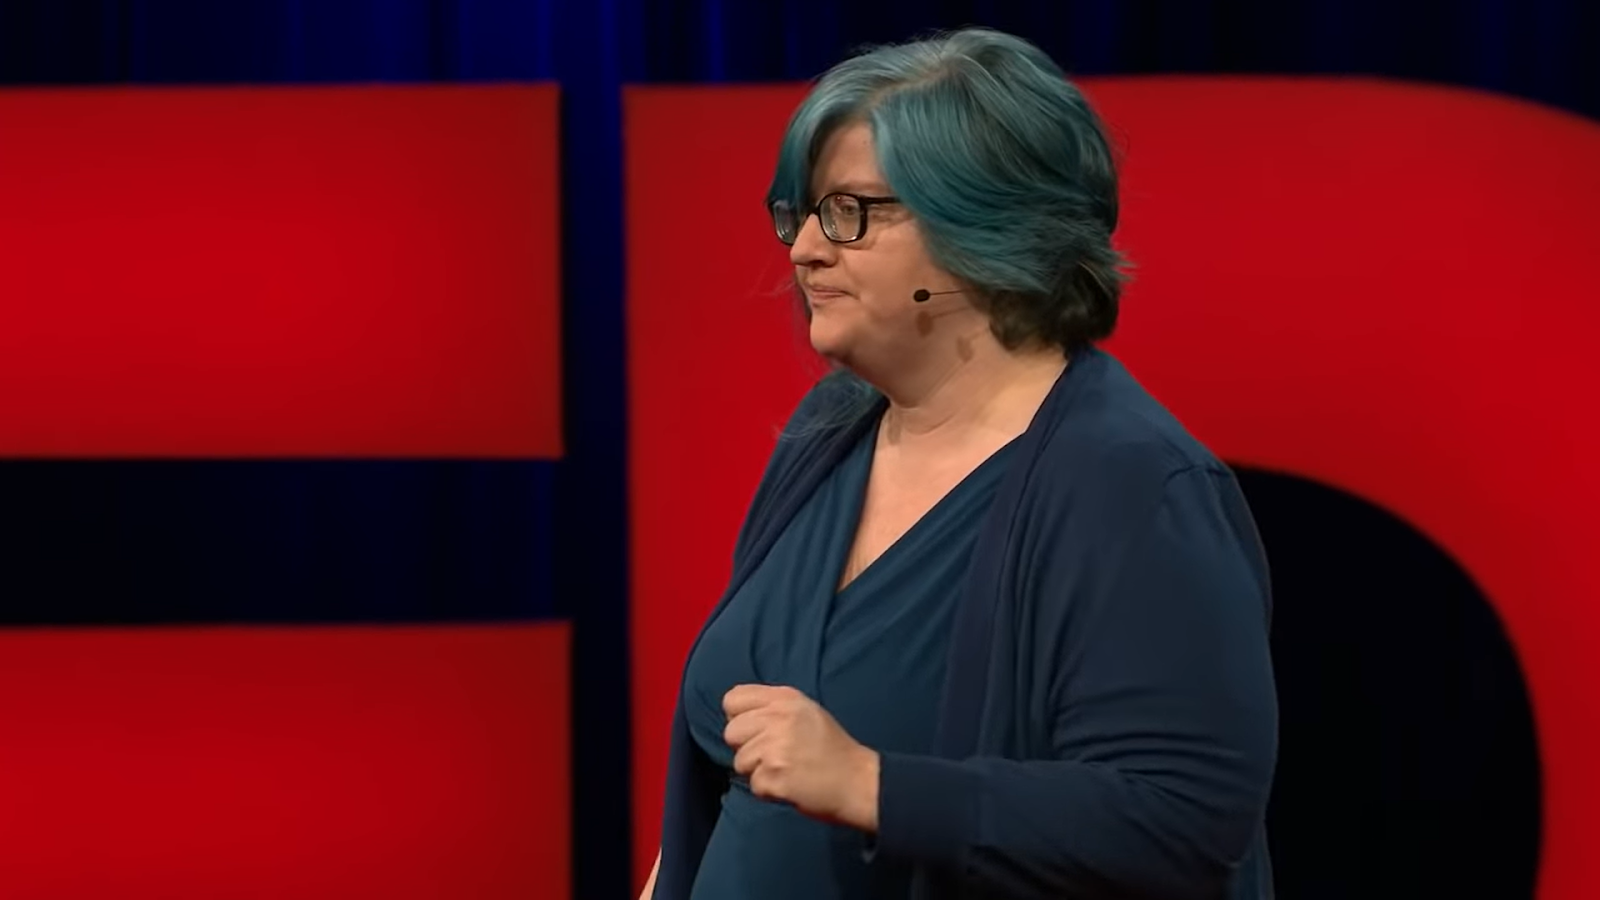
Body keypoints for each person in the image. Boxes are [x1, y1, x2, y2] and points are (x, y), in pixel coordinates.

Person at [643, 26, 1278, 900]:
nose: (805, 252)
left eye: (851, 213)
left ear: (988, 228)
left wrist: (871, 784)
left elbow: (1182, 820)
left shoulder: (1134, 486)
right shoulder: (829, 432)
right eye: (803, 214)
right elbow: (736, 792)